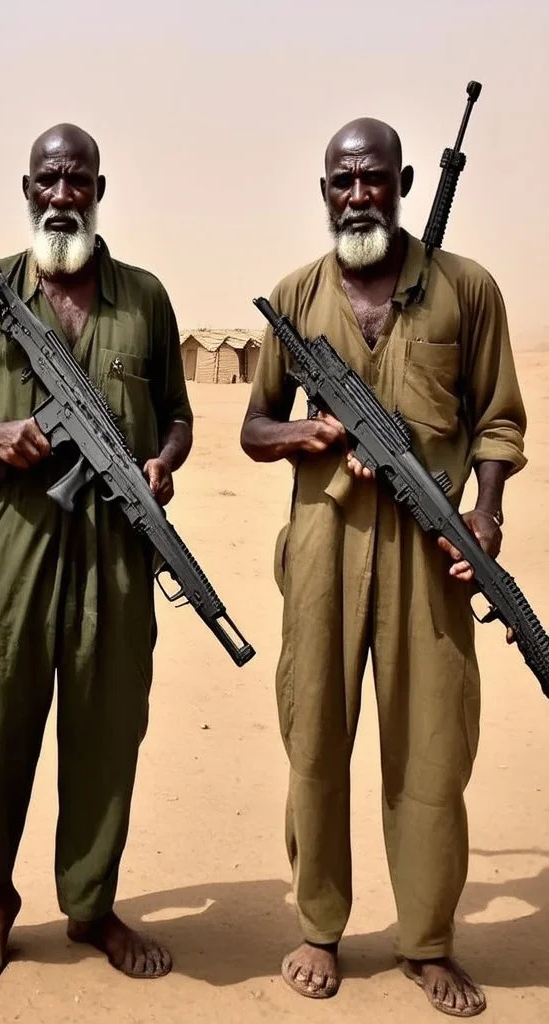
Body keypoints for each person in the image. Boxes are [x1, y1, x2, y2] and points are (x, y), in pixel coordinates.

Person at [240, 117, 527, 1018]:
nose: (357, 194)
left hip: (431, 554)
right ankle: (319, 925)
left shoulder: (465, 289)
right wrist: (313, 432)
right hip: (324, 551)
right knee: (315, 739)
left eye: (373, 179)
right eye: (341, 181)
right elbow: (254, 426)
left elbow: (500, 418)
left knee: (431, 750)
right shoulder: (295, 296)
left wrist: (484, 511)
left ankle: (428, 941)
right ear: (323, 190)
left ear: (402, 182)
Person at [0, 123, 193, 988]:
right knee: (2, 724)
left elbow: (180, 416)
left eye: (78, 180)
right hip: (18, 546)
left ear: (99, 191)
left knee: (107, 730)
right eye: (49, 180)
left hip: (117, 552)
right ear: (27, 188)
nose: (63, 195)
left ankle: (90, 906)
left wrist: (161, 461)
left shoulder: (144, 299)